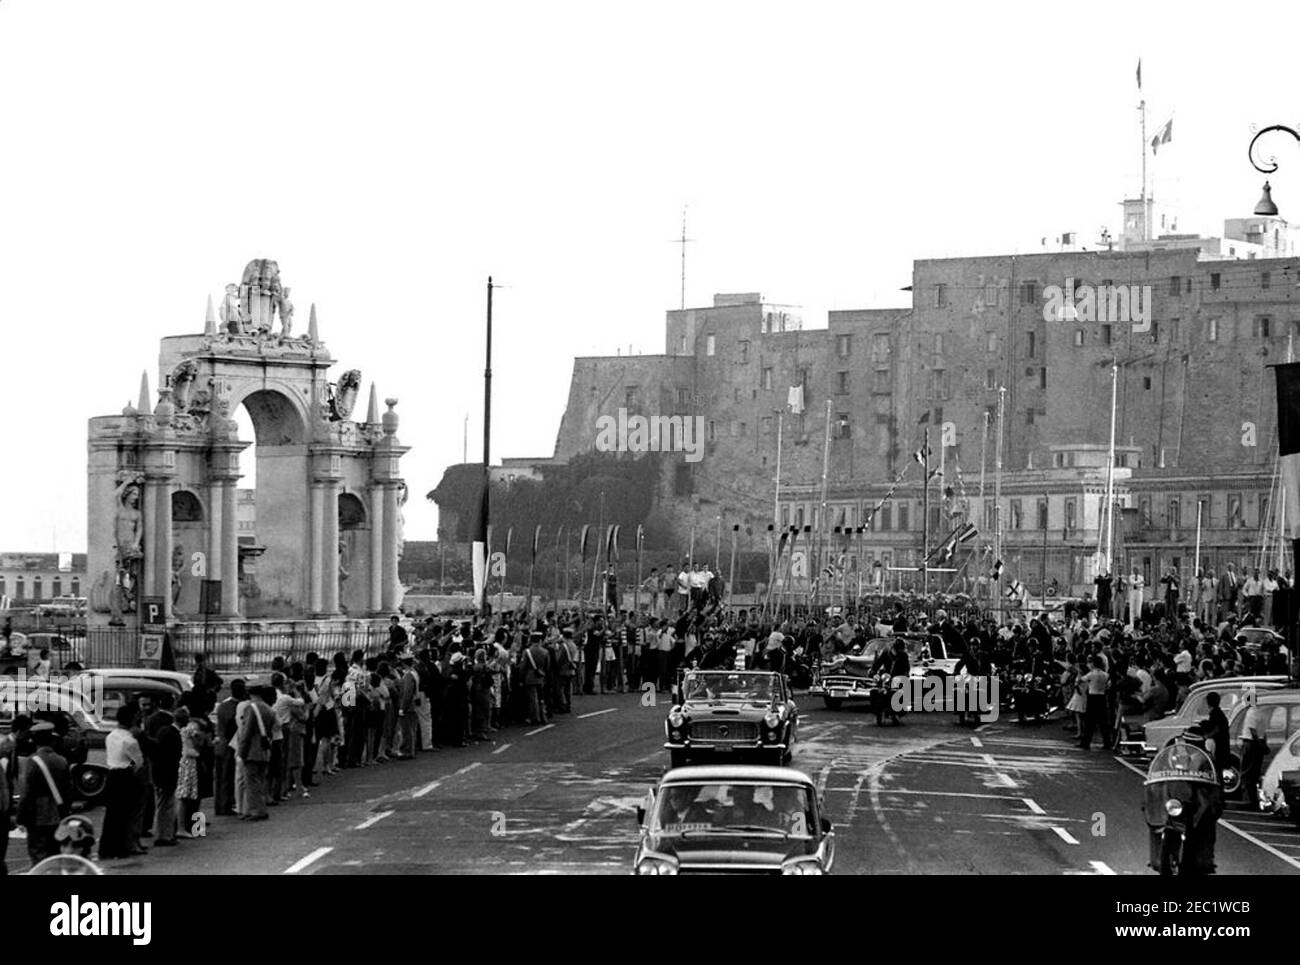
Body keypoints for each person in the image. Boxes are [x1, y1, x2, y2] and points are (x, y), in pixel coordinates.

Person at [15, 721, 72, 867]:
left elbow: (26, 793)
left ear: (34, 740)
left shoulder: (32, 761)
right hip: (57, 813)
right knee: (55, 854)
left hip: (37, 815)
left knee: (38, 855)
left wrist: (20, 816)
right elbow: (68, 790)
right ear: (52, 740)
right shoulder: (61, 761)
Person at [99, 705, 145, 859]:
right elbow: (138, 763)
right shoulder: (130, 740)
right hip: (126, 776)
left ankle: (107, 848)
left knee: (112, 814)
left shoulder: (111, 736)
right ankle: (123, 847)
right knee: (126, 814)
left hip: (112, 774)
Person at [236, 686, 275, 821]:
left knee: (251, 782)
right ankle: (259, 807)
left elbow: (246, 732)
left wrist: (241, 751)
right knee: (260, 780)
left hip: (252, 750)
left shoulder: (251, 708)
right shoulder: (269, 709)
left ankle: (256, 811)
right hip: (264, 749)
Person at [150, 706, 182, 846]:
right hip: (167, 775)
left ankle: (162, 833)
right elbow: (174, 757)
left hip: (159, 773)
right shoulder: (173, 734)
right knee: (166, 805)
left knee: (161, 804)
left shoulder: (161, 733)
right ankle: (164, 835)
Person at [214, 679, 242, 816]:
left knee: (221, 777)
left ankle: (220, 805)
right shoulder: (237, 707)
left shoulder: (222, 706)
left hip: (221, 743)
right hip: (230, 744)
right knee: (228, 776)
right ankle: (226, 804)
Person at [1238, 690, 1271, 806]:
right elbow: (1263, 732)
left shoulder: (1251, 712)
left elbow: (1253, 730)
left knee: (1246, 772)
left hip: (1251, 743)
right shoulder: (1261, 713)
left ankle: (1248, 800)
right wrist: (1263, 745)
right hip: (1259, 743)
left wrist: (1257, 743)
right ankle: (1253, 799)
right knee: (1254, 773)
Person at [1078, 656, 1111, 750]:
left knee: (1089, 722)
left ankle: (1086, 742)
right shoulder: (1105, 675)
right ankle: (1107, 742)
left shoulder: (1091, 674)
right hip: (1102, 697)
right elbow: (1108, 685)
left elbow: (1081, 680)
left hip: (1092, 697)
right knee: (1103, 722)